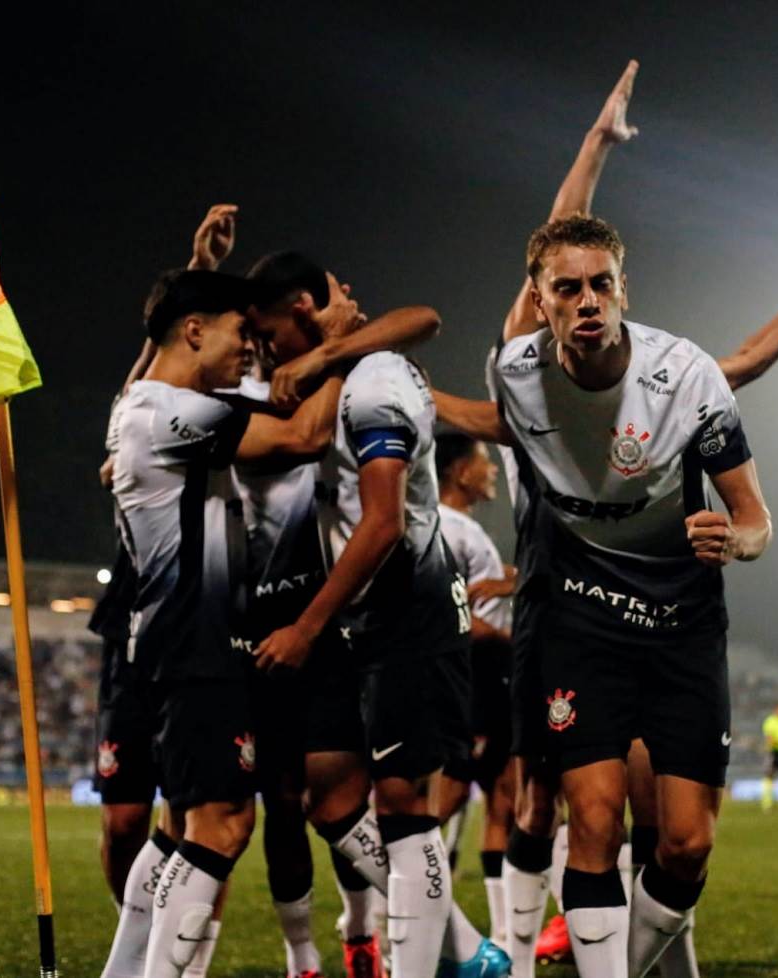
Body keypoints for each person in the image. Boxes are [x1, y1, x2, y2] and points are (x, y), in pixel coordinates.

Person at [434, 60, 778, 978]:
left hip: (678, 616)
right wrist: (594, 148)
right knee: (564, 813)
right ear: (542, 303)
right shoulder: (515, 370)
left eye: (602, 285)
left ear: (623, 291)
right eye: (566, 290)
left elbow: (756, 506)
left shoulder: (682, 378)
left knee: (678, 846)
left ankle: (620, 957)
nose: (586, 301)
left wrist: (739, 538)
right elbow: (552, 243)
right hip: (568, 607)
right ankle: (519, 957)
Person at [110, 265, 359, 978]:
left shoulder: (135, 404)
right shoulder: (170, 412)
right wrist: (338, 347)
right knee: (223, 824)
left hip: (171, 640)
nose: (248, 349)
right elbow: (304, 437)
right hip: (194, 642)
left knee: (175, 834)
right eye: (237, 332)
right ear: (193, 330)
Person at [253, 311, 510, 978]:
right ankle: (461, 949)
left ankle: (430, 960)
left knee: (406, 800)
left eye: (266, 328)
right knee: (331, 796)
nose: (262, 343)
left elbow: (423, 317)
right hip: (355, 617)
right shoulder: (323, 382)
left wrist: (322, 356)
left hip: (403, 614)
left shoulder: (372, 378)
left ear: (300, 316)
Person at [435, 433, 517, 950]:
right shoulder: (446, 527)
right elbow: (451, 614)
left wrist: (515, 581)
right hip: (475, 679)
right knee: (441, 801)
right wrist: (515, 641)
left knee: (505, 801)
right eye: (484, 464)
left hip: (494, 680)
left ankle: (507, 934)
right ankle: (382, 914)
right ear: (461, 471)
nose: (492, 473)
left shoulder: (465, 529)